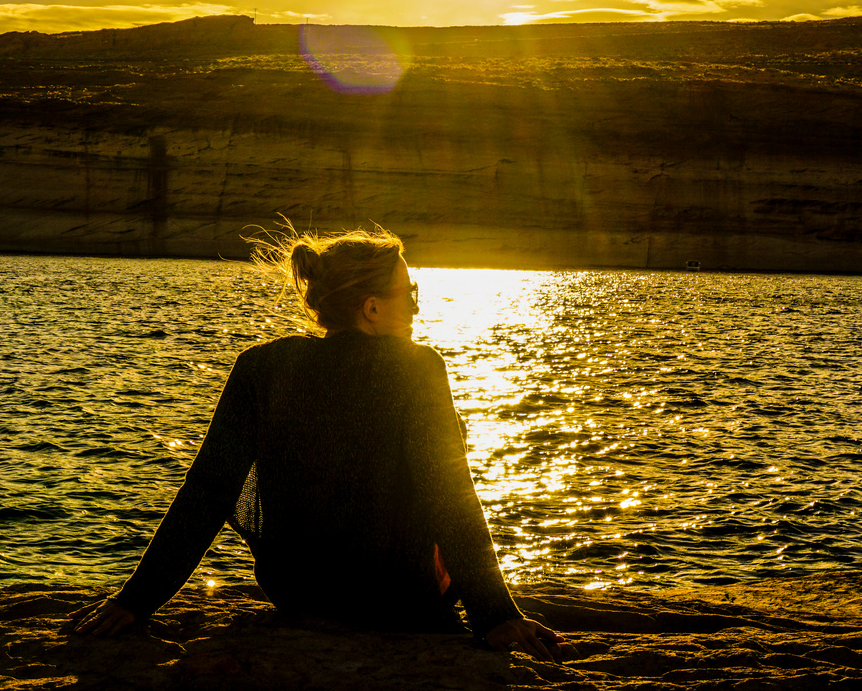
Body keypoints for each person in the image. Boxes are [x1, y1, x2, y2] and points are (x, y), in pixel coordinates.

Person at [69, 227, 563, 661]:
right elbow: (449, 498)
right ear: (371, 308)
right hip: (399, 600)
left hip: (298, 592)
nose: (416, 303)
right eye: (410, 292)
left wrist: (136, 601)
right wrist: (495, 614)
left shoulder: (260, 366)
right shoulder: (418, 368)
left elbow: (208, 491)